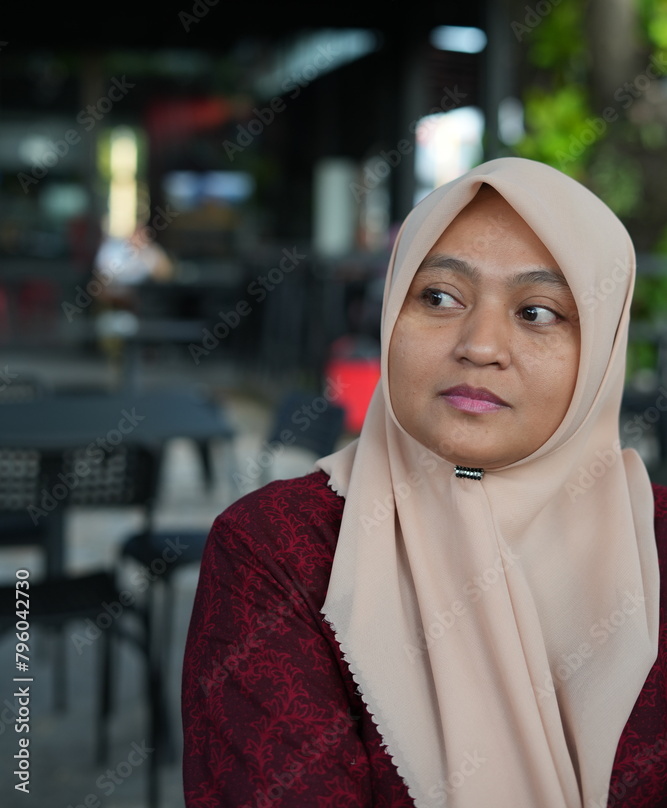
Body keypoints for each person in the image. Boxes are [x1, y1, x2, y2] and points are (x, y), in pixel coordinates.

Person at [182, 157, 667, 808]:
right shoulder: (277, 548)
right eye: (437, 297)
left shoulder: (658, 545)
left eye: (537, 311)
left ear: (603, 350)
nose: (479, 344)